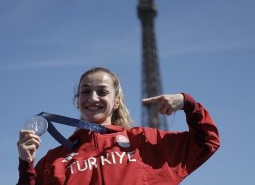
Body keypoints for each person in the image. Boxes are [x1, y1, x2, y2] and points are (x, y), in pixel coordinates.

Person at [17, 67, 220, 185]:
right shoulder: (55, 160)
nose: (93, 98)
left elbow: (206, 142)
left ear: (116, 101)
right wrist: (26, 163)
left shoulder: (142, 142)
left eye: (102, 92)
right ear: (77, 99)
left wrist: (187, 103)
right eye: (85, 92)